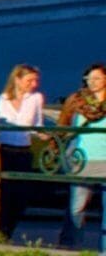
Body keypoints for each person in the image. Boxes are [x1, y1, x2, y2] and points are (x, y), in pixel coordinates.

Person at [0, 66, 52, 236]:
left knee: (21, 197)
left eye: (36, 81)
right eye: (29, 80)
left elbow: (37, 124)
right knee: (3, 194)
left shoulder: (35, 99)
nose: (33, 84)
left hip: (23, 150)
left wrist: (42, 135)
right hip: (3, 150)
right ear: (17, 80)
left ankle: (8, 231)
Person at [58, 64, 106, 248]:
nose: (92, 82)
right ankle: (72, 248)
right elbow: (63, 125)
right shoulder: (77, 101)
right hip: (82, 160)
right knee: (76, 209)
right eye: (88, 79)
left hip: (105, 159)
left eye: (96, 78)